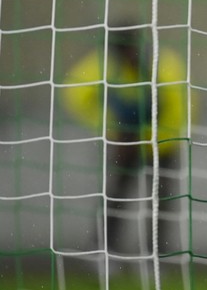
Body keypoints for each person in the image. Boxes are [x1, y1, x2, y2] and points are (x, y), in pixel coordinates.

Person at [62, 23, 192, 256]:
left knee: (161, 200)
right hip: (124, 142)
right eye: (120, 52)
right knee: (116, 197)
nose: (126, 56)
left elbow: (181, 110)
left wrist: (145, 139)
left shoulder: (165, 65)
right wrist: (111, 129)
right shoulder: (103, 65)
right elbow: (74, 93)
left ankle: (157, 254)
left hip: (162, 144)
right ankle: (103, 251)